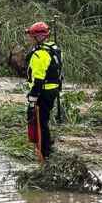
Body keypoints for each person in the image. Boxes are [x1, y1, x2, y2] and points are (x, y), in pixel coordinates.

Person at [25, 21, 62, 159]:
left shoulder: (40, 54)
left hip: (43, 92)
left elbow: (38, 79)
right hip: (52, 90)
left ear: (38, 37)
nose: (30, 38)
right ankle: (47, 147)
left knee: (41, 123)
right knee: (44, 120)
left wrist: (32, 98)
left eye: (32, 36)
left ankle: (45, 153)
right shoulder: (54, 48)